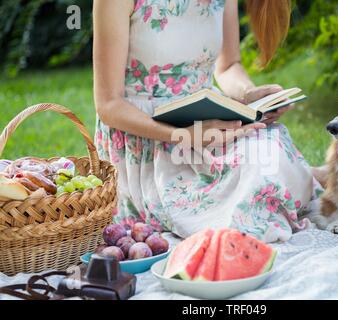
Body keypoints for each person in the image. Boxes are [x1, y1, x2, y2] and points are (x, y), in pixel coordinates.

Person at [93, 0, 322, 242]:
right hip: (148, 136)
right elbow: (109, 105)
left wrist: (248, 95)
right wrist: (184, 136)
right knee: (253, 186)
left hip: (210, 122)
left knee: (270, 149)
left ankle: (308, 181)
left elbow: (228, 66)